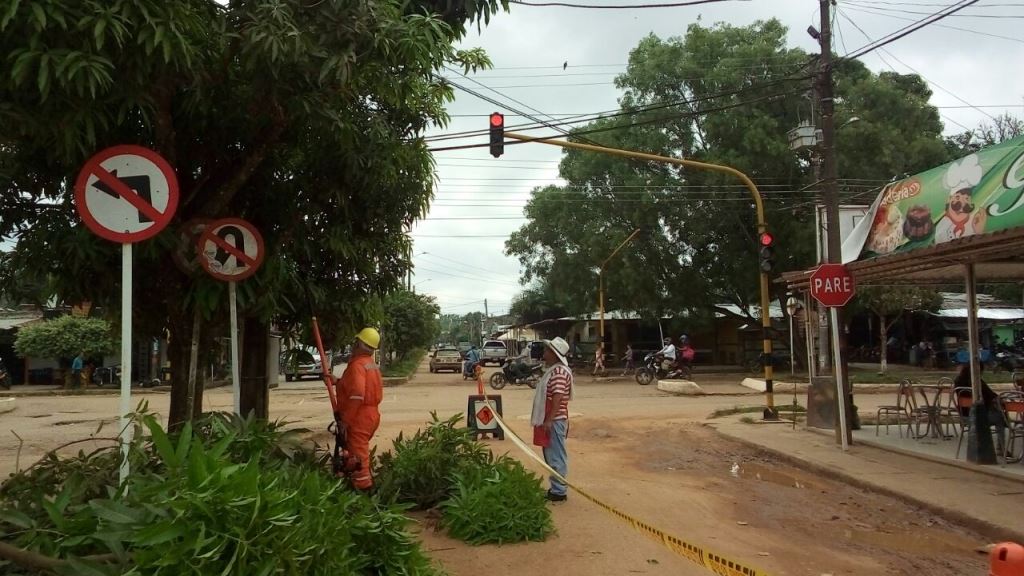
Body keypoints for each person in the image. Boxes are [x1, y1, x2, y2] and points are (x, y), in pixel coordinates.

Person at [336, 327, 383, 491]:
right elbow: (358, 387)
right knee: (356, 453)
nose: (353, 344)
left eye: (356, 341)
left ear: (360, 344)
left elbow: (357, 394)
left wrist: (346, 422)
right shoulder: (371, 364)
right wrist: (338, 382)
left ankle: (364, 492)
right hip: (371, 414)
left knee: (358, 456)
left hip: (359, 417)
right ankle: (355, 483)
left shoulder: (357, 365)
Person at [531, 337, 574, 502]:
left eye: (547, 350)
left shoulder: (559, 372)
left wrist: (549, 420)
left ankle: (559, 490)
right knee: (551, 453)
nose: (544, 352)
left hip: (554, 420)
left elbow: (557, 397)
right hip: (552, 419)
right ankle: (556, 487)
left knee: (556, 455)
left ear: (554, 354)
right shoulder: (555, 370)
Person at [953, 362, 1007, 455]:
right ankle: (1001, 448)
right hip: (978, 416)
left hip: (965, 416)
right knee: (1000, 418)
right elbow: (992, 396)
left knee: (997, 415)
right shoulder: (977, 383)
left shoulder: (958, 381)